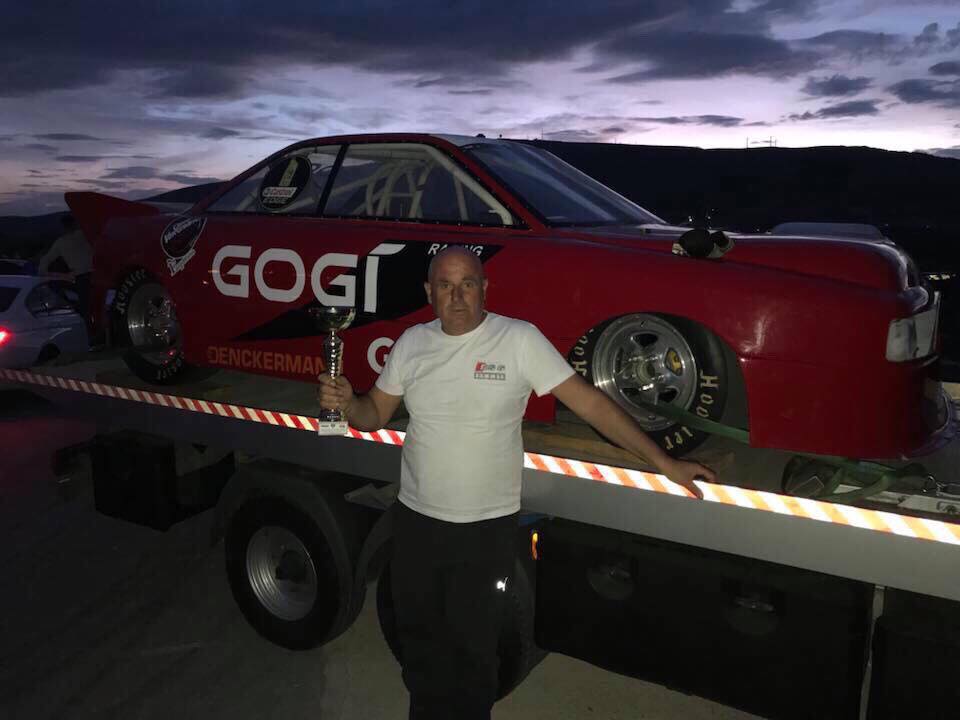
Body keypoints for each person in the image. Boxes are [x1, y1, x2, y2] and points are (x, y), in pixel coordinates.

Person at [318, 246, 716, 720]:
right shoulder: (412, 344)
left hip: (484, 529)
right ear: (429, 293)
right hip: (416, 522)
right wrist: (348, 402)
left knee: (472, 649)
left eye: (468, 284)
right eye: (445, 285)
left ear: (485, 289)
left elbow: (591, 404)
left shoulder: (518, 340)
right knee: (420, 639)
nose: (457, 296)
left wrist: (664, 462)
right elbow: (373, 415)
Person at [37, 214, 93, 337]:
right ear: (75, 224)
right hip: (94, 275)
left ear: (63, 227)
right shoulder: (85, 235)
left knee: (86, 309)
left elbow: (44, 263)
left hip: (80, 278)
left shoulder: (61, 243)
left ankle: (91, 336)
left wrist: (55, 274)